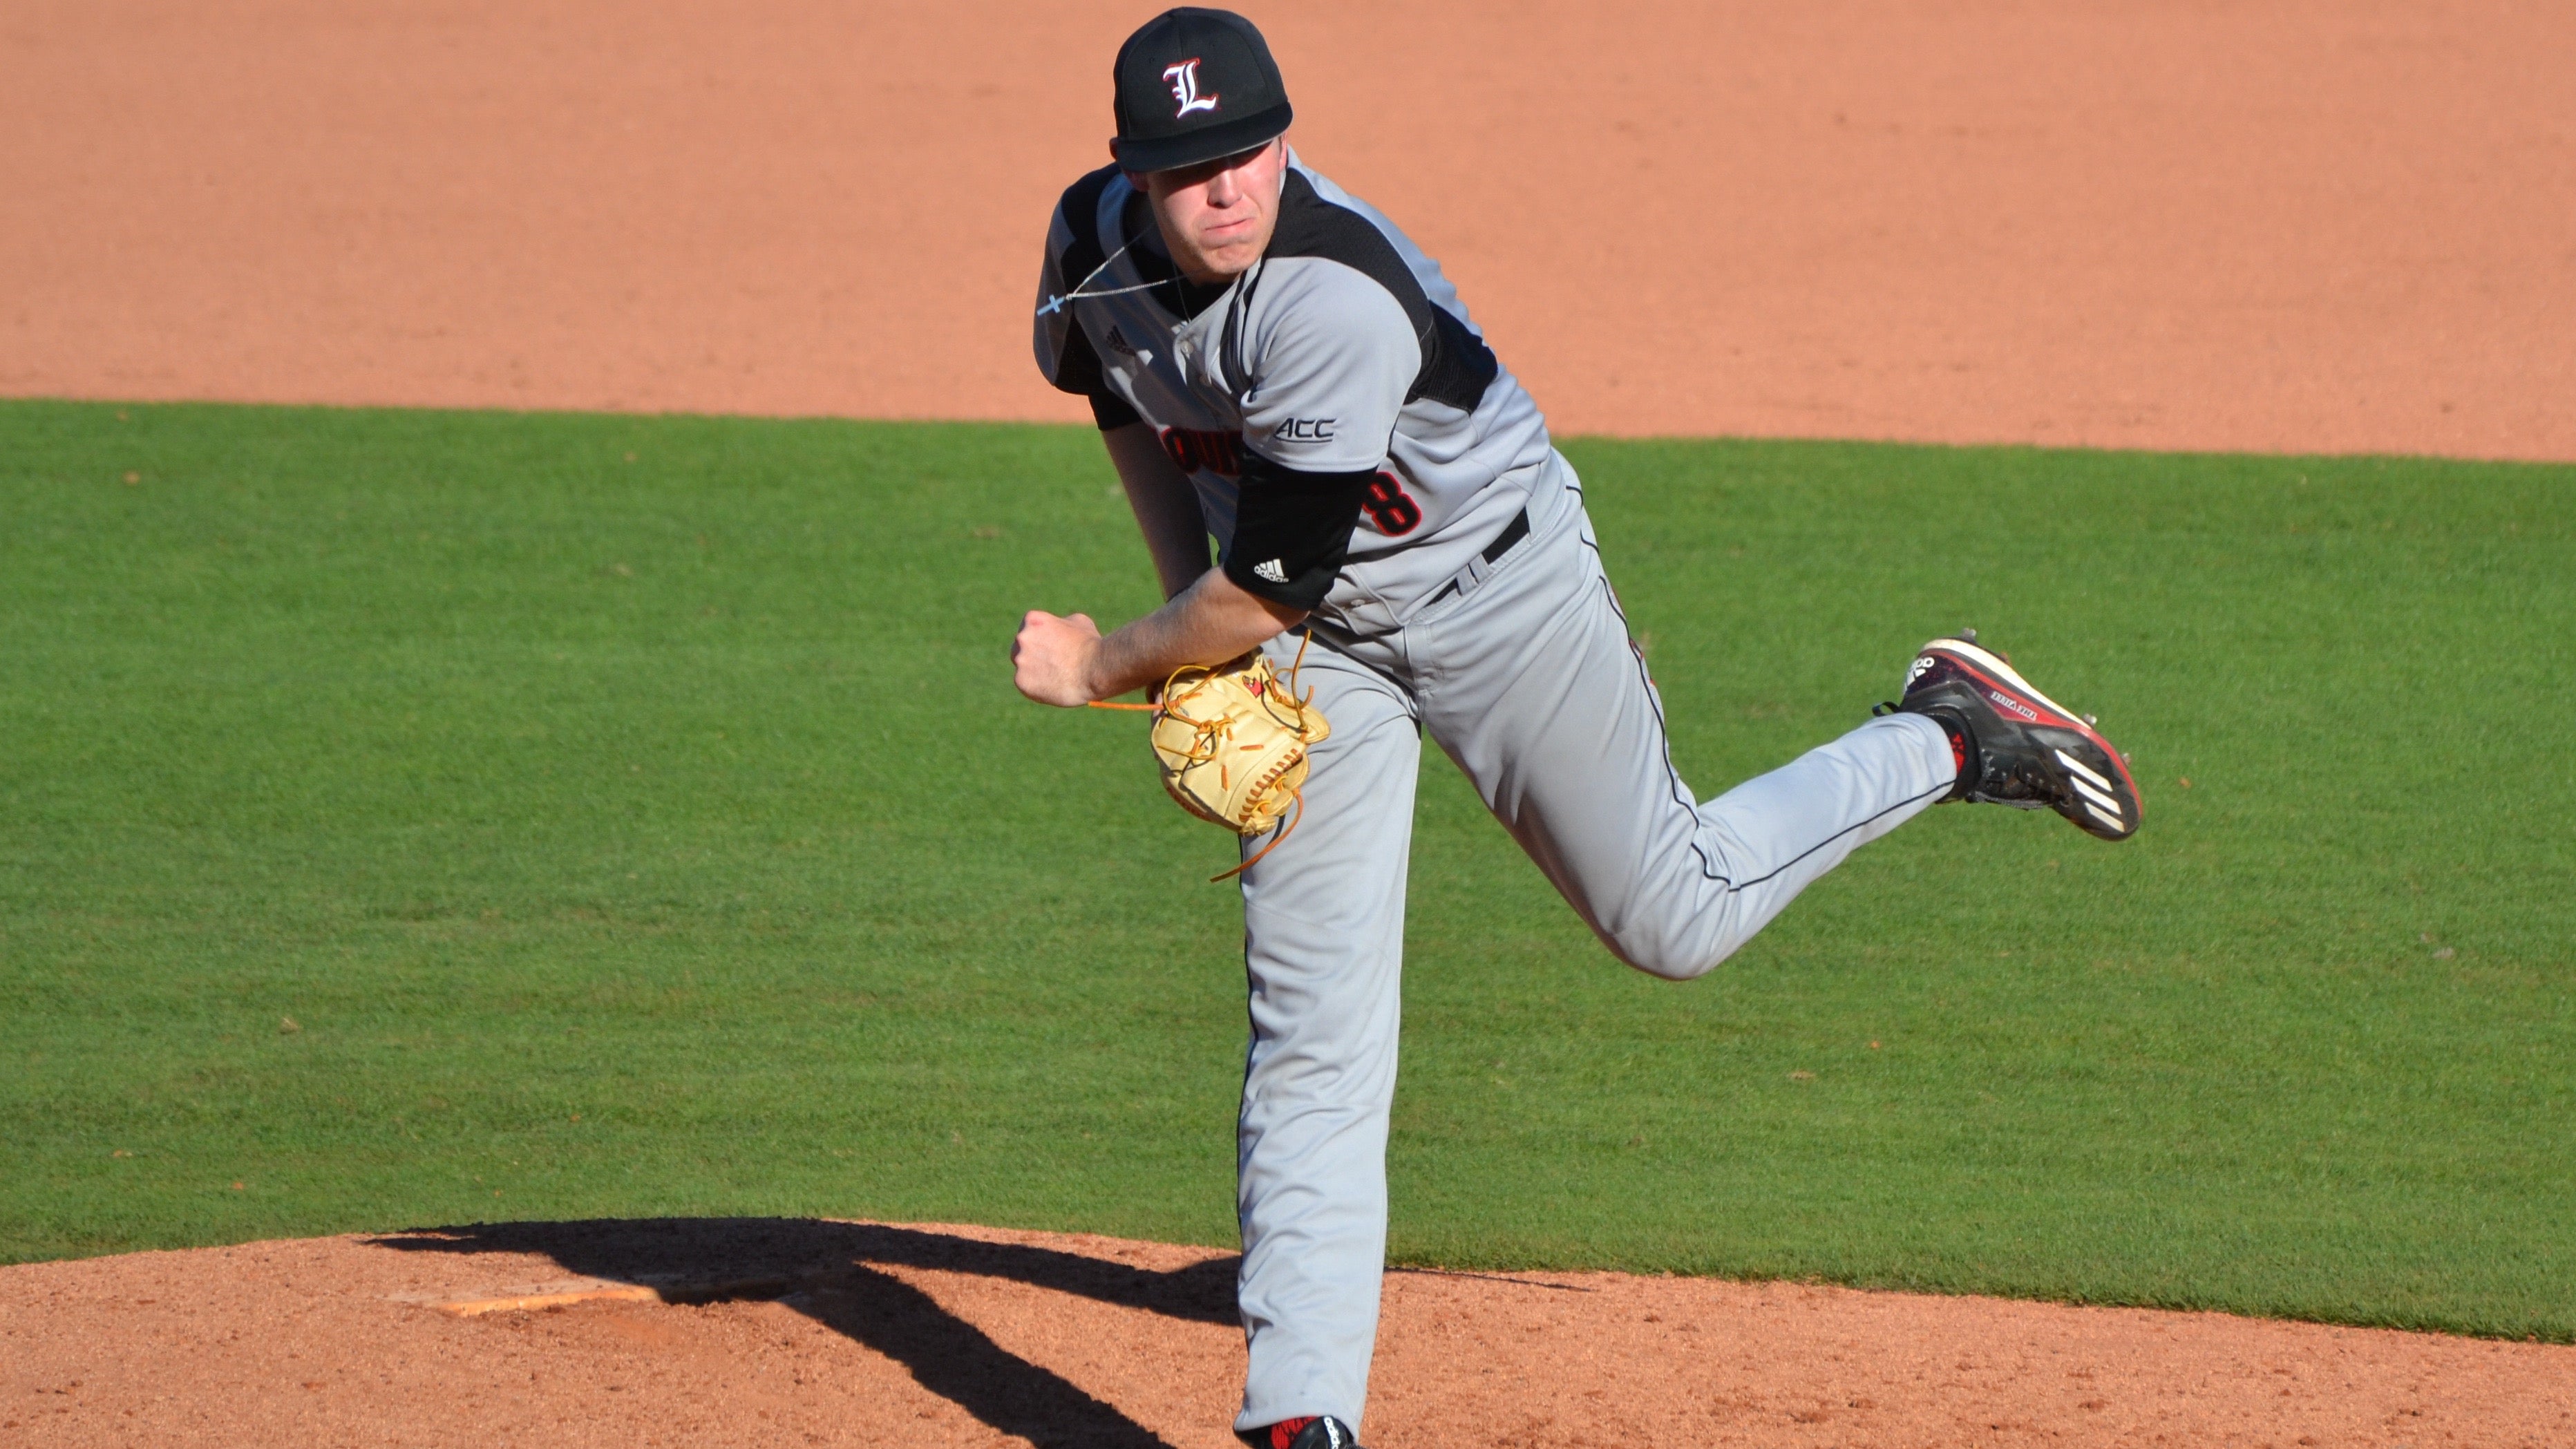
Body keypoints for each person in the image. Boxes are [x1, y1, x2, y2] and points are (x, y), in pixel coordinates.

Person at [1011, 10, 2141, 1447]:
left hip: (1496, 594)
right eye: (1189, 171)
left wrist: (1113, 660)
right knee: (1312, 1017)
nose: (1226, 189)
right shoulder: (1082, 249)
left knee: (1673, 916)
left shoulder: (1329, 294)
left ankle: (1952, 731)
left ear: (1285, 140)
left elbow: (1271, 574)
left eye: (1249, 153)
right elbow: (1121, 400)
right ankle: (1300, 1415)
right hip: (1312, 646)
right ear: (1131, 177)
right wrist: (1186, 622)